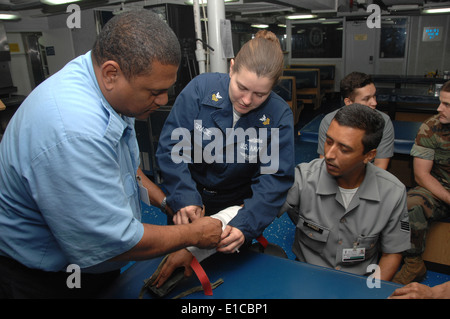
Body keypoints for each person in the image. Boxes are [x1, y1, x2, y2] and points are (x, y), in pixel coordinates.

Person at [0, 10, 222, 298]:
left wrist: (167, 203)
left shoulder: (107, 89)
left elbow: (127, 169)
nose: (164, 100)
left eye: (167, 89)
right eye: (154, 91)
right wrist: (195, 235)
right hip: (44, 279)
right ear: (111, 73)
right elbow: (113, 242)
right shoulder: (75, 131)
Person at [156, 30, 295, 254]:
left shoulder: (279, 116)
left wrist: (245, 225)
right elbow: (172, 148)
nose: (247, 100)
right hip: (188, 194)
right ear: (231, 68)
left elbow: (275, 180)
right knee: (176, 265)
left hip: (237, 208)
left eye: (260, 94)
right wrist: (184, 197)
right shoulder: (201, 89)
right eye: (242, 87)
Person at [281, 104, 410, 281]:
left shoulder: (392, 193)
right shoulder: (303, 178)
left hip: (358, 283)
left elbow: (392, 253)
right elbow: (261, 208)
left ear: (369, 155)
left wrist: (371, 292)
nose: (330, 154)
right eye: (329, 141)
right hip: (305, 278)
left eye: (344, 149)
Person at [392, 81, 450, 285]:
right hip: (441, 190)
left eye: (447, 105)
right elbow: (422, 175)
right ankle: (413, 263)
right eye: (440, 102)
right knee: (409, 204)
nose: (439, 109)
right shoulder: (431, 128)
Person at [317, 72, 394, 170]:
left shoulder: (384, 122)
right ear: (349, 102)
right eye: (366, 99)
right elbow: (325, 163)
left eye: (374, 96)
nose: (374, 103)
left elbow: (380, 167)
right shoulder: (330, 121)